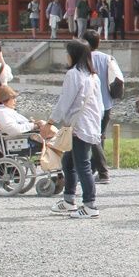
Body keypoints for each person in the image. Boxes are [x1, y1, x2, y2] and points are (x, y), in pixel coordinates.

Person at [46, 39, 104, 219]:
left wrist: (51, 121)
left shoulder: (74, 74)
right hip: (89, 124)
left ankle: (90, 205)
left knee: (82, 165)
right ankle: (69, 200)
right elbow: (100, 105)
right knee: (69, 163)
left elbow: (65, 100)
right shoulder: (93, 76)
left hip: (79, 126)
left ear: (74, 55)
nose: (66, 56)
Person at [82, 30, 124, 184]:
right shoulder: (107, 58)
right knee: (100, 136)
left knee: (93, 138)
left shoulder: (82, 59)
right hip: (106, 103)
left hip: (89, 105)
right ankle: (95, 169)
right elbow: (119, 78)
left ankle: (102, 171)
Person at [0, 86, 47, 154]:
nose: (15, 101)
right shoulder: (2, 112)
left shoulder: (5, 111)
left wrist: (33, 123)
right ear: (5, 100)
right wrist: (34, 126)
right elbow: (13, 129)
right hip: (18, 143)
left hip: (21, 139)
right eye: (13, 98)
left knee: (46, 126)